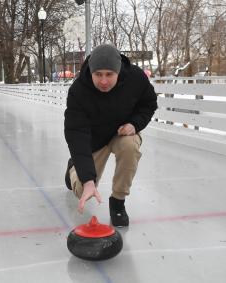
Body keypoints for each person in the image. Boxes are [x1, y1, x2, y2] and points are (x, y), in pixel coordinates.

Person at [64, 44, 158, 227]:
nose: (104, 81)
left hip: (121, 132)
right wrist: (89, 181)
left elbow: (149, 104)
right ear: (91, 71)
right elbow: (76, 134)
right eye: (98, 75)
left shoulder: (136, 78)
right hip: (94, 140)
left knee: (130, 146)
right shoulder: (78, 91)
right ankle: (72, 170)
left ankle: (118, 202)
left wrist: (134, 124)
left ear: (119, 71)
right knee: (82, 189)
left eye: (109, 75)